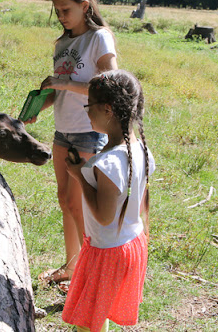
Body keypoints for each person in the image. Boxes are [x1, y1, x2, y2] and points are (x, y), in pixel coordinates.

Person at [28, 0, 118, 287]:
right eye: (57, 11)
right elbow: (61, 90)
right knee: (66, 200)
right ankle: (71, 267)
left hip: (89, 132)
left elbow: (110, 84)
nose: (61, 16)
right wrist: (39, 104)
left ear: (85, 5)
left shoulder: (99, 38)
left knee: (83, 207)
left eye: (66, 10)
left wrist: (63, 82)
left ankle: (91, 275)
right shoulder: (62, 42)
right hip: (63, 131)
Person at [62, 70, 155, 332]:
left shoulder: (108, 163)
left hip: (106, 252)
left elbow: (104, 216)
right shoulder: (140, 149)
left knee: (88, 321)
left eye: (88, 105)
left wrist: (80, 176)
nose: (87, 112)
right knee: (99, 309)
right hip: (131, 242)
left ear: (107, 109)